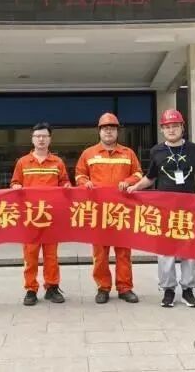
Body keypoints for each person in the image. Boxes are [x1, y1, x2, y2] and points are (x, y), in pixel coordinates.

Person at [127, 109, 195, 308]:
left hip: (189, 209)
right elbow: (150, 178)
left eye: (175, 126)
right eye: (167, 127)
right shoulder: (156, 151)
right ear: (162, 129)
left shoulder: (193, 149)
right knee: (165, 251)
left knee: (189, 250)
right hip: (164, 209)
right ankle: (168, 290)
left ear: (182, 127)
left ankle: (188, 290)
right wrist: (135, 187)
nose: (171, 130)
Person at [75, 112, 143, 304]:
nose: (108, 132)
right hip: (99, 212)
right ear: (99, 131)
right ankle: (103, 287)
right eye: (105, 128)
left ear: (117, 131)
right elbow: (79, 175)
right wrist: (85, 183)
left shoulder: (128, 153)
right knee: (100, 253)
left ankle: (125, 288)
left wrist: (128, 181)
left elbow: (139, 174)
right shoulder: (89, 153)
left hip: (122, 212)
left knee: (124, 252)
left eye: (112, 128)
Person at [11, 123, 71, 306]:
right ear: (32, 139)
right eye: (38, 136)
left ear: (50, 139)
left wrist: (67, 187)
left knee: (51, 256)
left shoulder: (57, 162)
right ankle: (31, 289)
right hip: (30, 217)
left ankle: (52, 287)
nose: (41, 139)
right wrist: (16, 186)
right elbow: (14, 183)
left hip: (52, 217)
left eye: (44, 136)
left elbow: (65, 182)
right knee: (30, 255)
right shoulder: (23, 162)